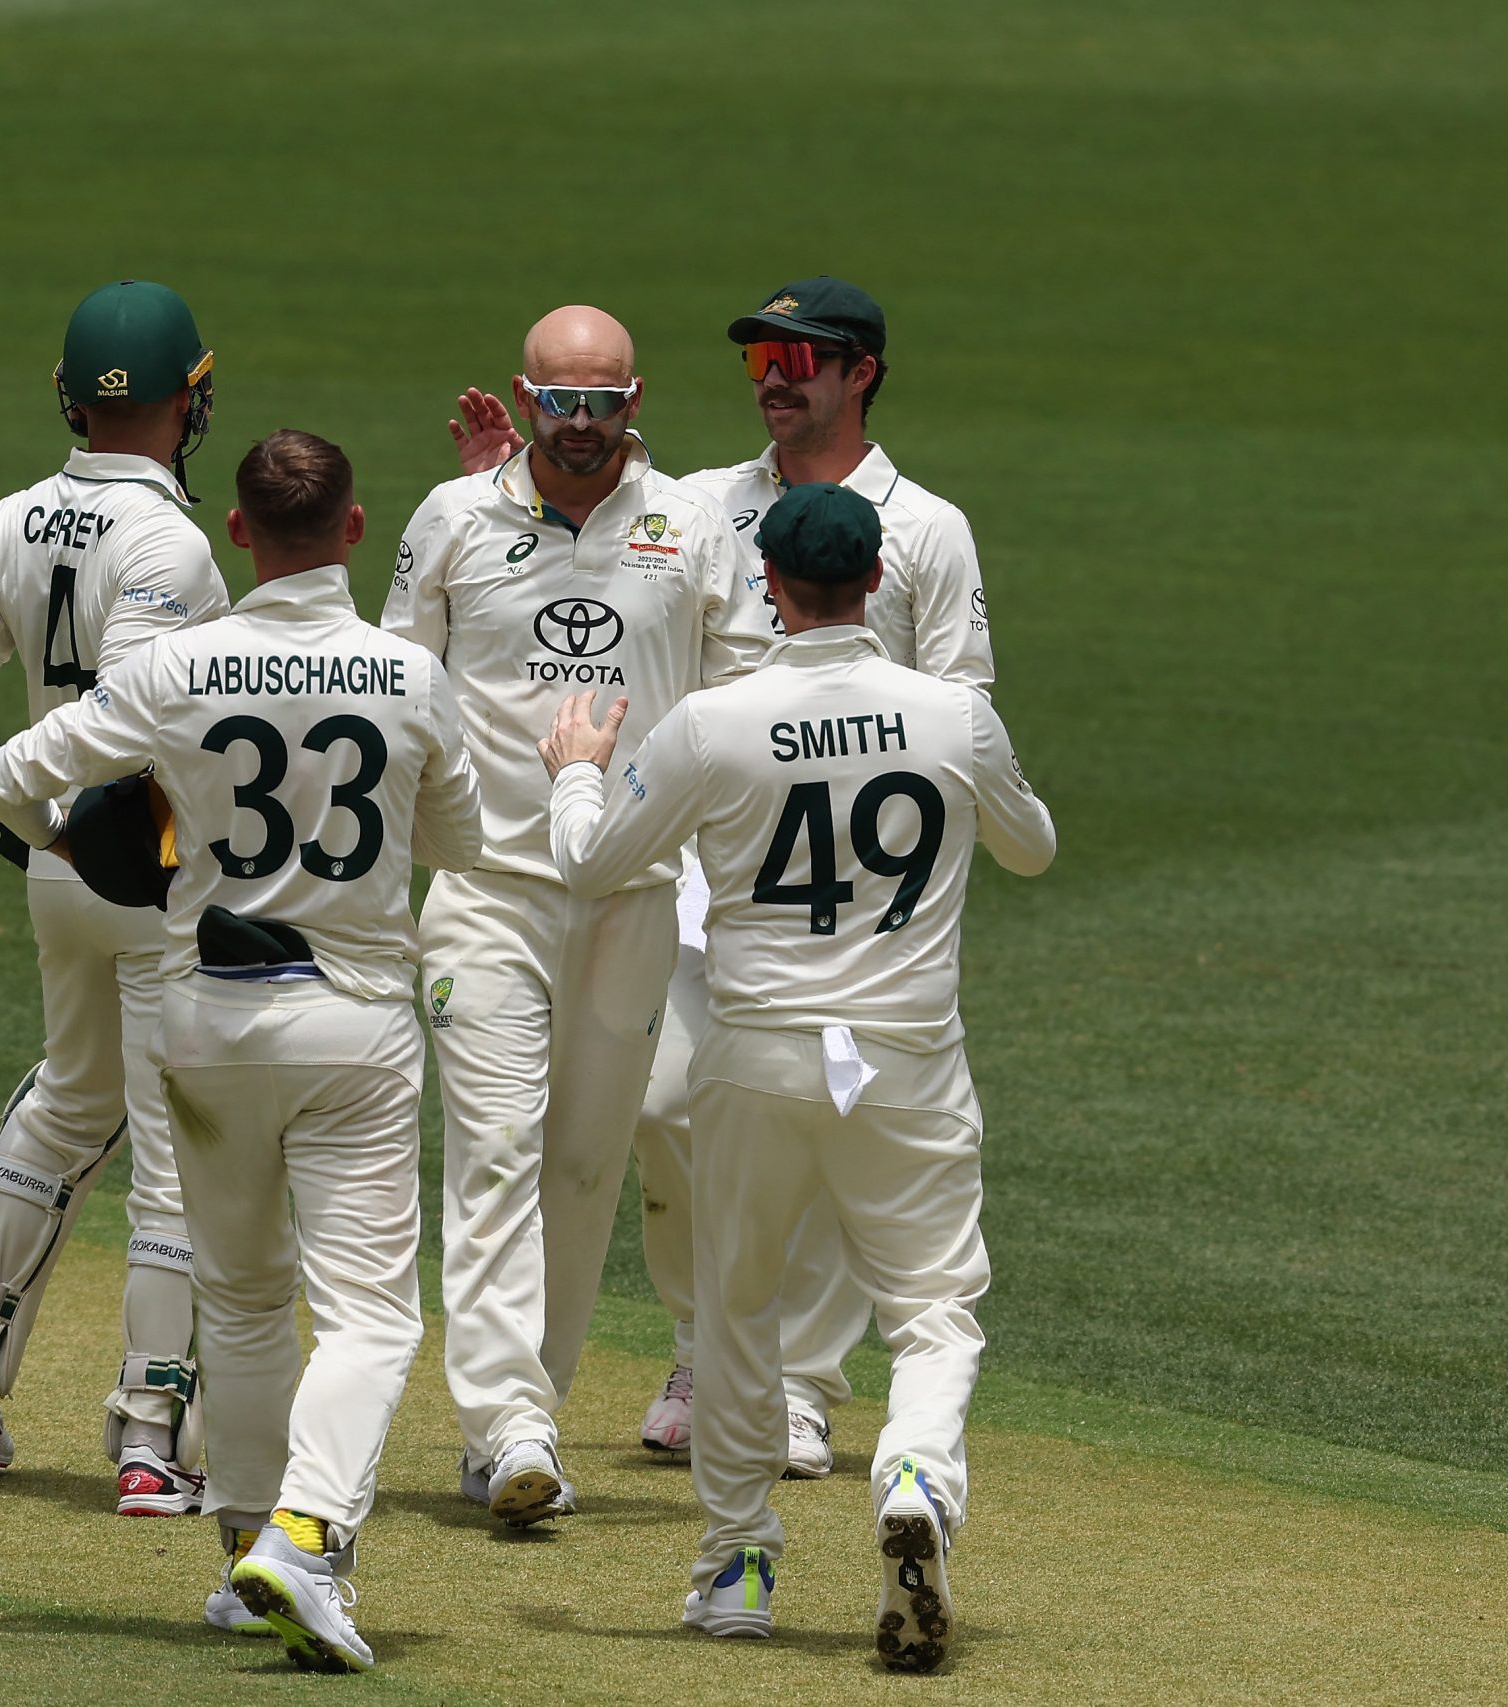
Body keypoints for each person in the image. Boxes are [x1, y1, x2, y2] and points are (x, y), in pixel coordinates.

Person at [450, 276, 993, 1474]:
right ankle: (712, 1344)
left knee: (837, 1099)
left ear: (863, 374)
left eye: (803, 360)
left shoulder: (925, 529)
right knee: (665, 1108)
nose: (775, 379)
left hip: (847, 880)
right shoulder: (699, 500)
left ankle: (798, 1379)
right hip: (693, 858)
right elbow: (595, 565)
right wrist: (506, 480)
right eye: (760, 360)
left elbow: (965, 707)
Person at [0, 430, 483, 1673]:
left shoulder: (179, 665)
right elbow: (460, 846)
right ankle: (306, 1537)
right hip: (353, 1022)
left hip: (204, 1017)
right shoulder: (409, 676)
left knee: (244, 1302)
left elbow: (1, 775)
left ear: (243, 534)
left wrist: (92, 847)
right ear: (354, 533)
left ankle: (243, 1554)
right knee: (367, 1319)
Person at [539, 482, 1053, 1670]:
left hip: (756, 1054)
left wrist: (576, 765)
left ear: (768, 588)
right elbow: (1034, 849)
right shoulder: (949, 715)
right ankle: (915, 1477)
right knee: (931, 1312)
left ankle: (734, 1568)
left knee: (734, 1309)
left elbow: (590, 861)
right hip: (908, 1059)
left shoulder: (714, 722)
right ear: (876, 582)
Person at [386, 306, 772, 1526]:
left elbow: (744, 698)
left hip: (633, 893)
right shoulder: (453, 519)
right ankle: (510, 1426)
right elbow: (398, 692)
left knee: (585, 1165)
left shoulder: (689, 526)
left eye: (606, 401)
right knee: (494, 1151)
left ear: (634, 397)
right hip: (489, 888)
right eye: (563, 402)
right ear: (526, 395)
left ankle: (520, 1414)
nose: (586, 424)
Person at [0, 281, 229, 1517]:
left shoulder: (7, 521)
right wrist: (112, 834)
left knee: (64, 1104)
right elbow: (134, 710)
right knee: (177, 1155)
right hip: (154, 882)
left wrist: (31, 822)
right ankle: (152, 1436)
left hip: (57, 878)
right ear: (186, 400)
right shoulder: (173, 544)